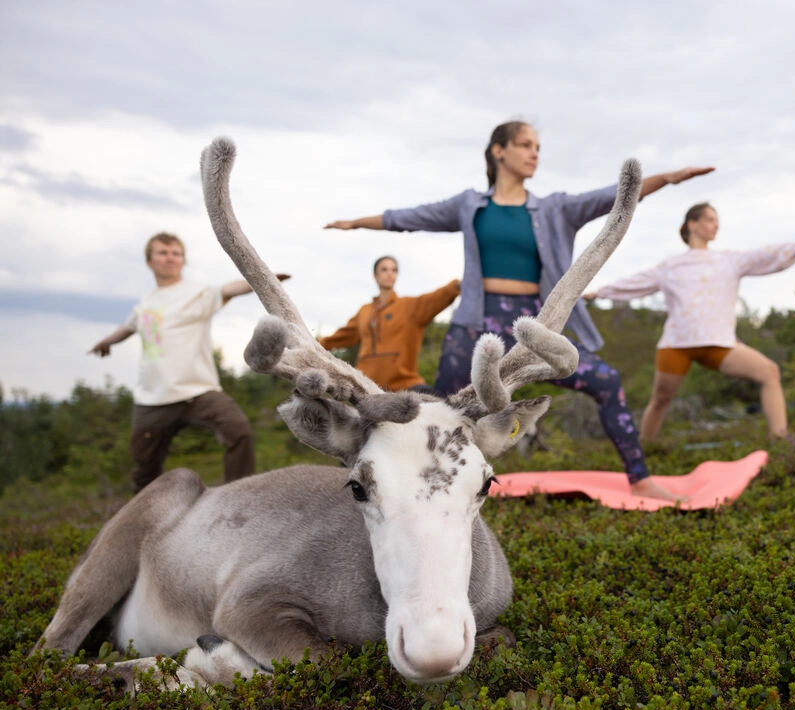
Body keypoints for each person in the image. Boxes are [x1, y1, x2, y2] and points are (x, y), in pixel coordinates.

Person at [325, 120, 713, 502]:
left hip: (536, 326)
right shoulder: (469, 205)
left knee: (607, 381)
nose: (534, 154)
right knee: (443, 410)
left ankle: (641, 479)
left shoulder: (554, 209)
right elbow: (409, 218)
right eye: (526, 145)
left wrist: (669, 178)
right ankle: (420, 491)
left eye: (538, 148)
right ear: (499, 151)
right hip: (475, 324)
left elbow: (614, 196)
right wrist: (357, 223)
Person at [588, 202, 795, 439]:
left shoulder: (729, 260)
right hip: (676, 345)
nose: (716, 225)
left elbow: (765, 254)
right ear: (692, 224)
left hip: (718, 344)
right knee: (661, 399)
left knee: (769, 372)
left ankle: (782, 443)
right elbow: (636, 282)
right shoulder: (671, 266)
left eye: (716, 220)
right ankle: (642, 454)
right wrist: (599, 292)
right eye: (710, 219)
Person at [89, 232, 285, 492]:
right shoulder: (146, 304)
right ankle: (146, 517)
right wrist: (106, 343)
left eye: (176, 253)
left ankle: (238, 496)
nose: (170, 258)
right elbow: (128, 327)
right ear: (150, 261)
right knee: (144, 468)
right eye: (162, 252)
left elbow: (229, 289)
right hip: (154, 396)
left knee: (238, 431)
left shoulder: (198, 293)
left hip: (198, 391)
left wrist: (261, 279)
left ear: (183, 260)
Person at [318, 255, 460, 392]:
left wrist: (456, 286)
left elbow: (435, 299)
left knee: (444, 407)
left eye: (394, 270)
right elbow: (342, 335)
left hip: (405, 386)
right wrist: (317, 344)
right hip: (367, 386)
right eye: (384, 269)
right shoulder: (364, 311)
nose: (389, 273)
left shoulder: (409, 306)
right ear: (375, 275)